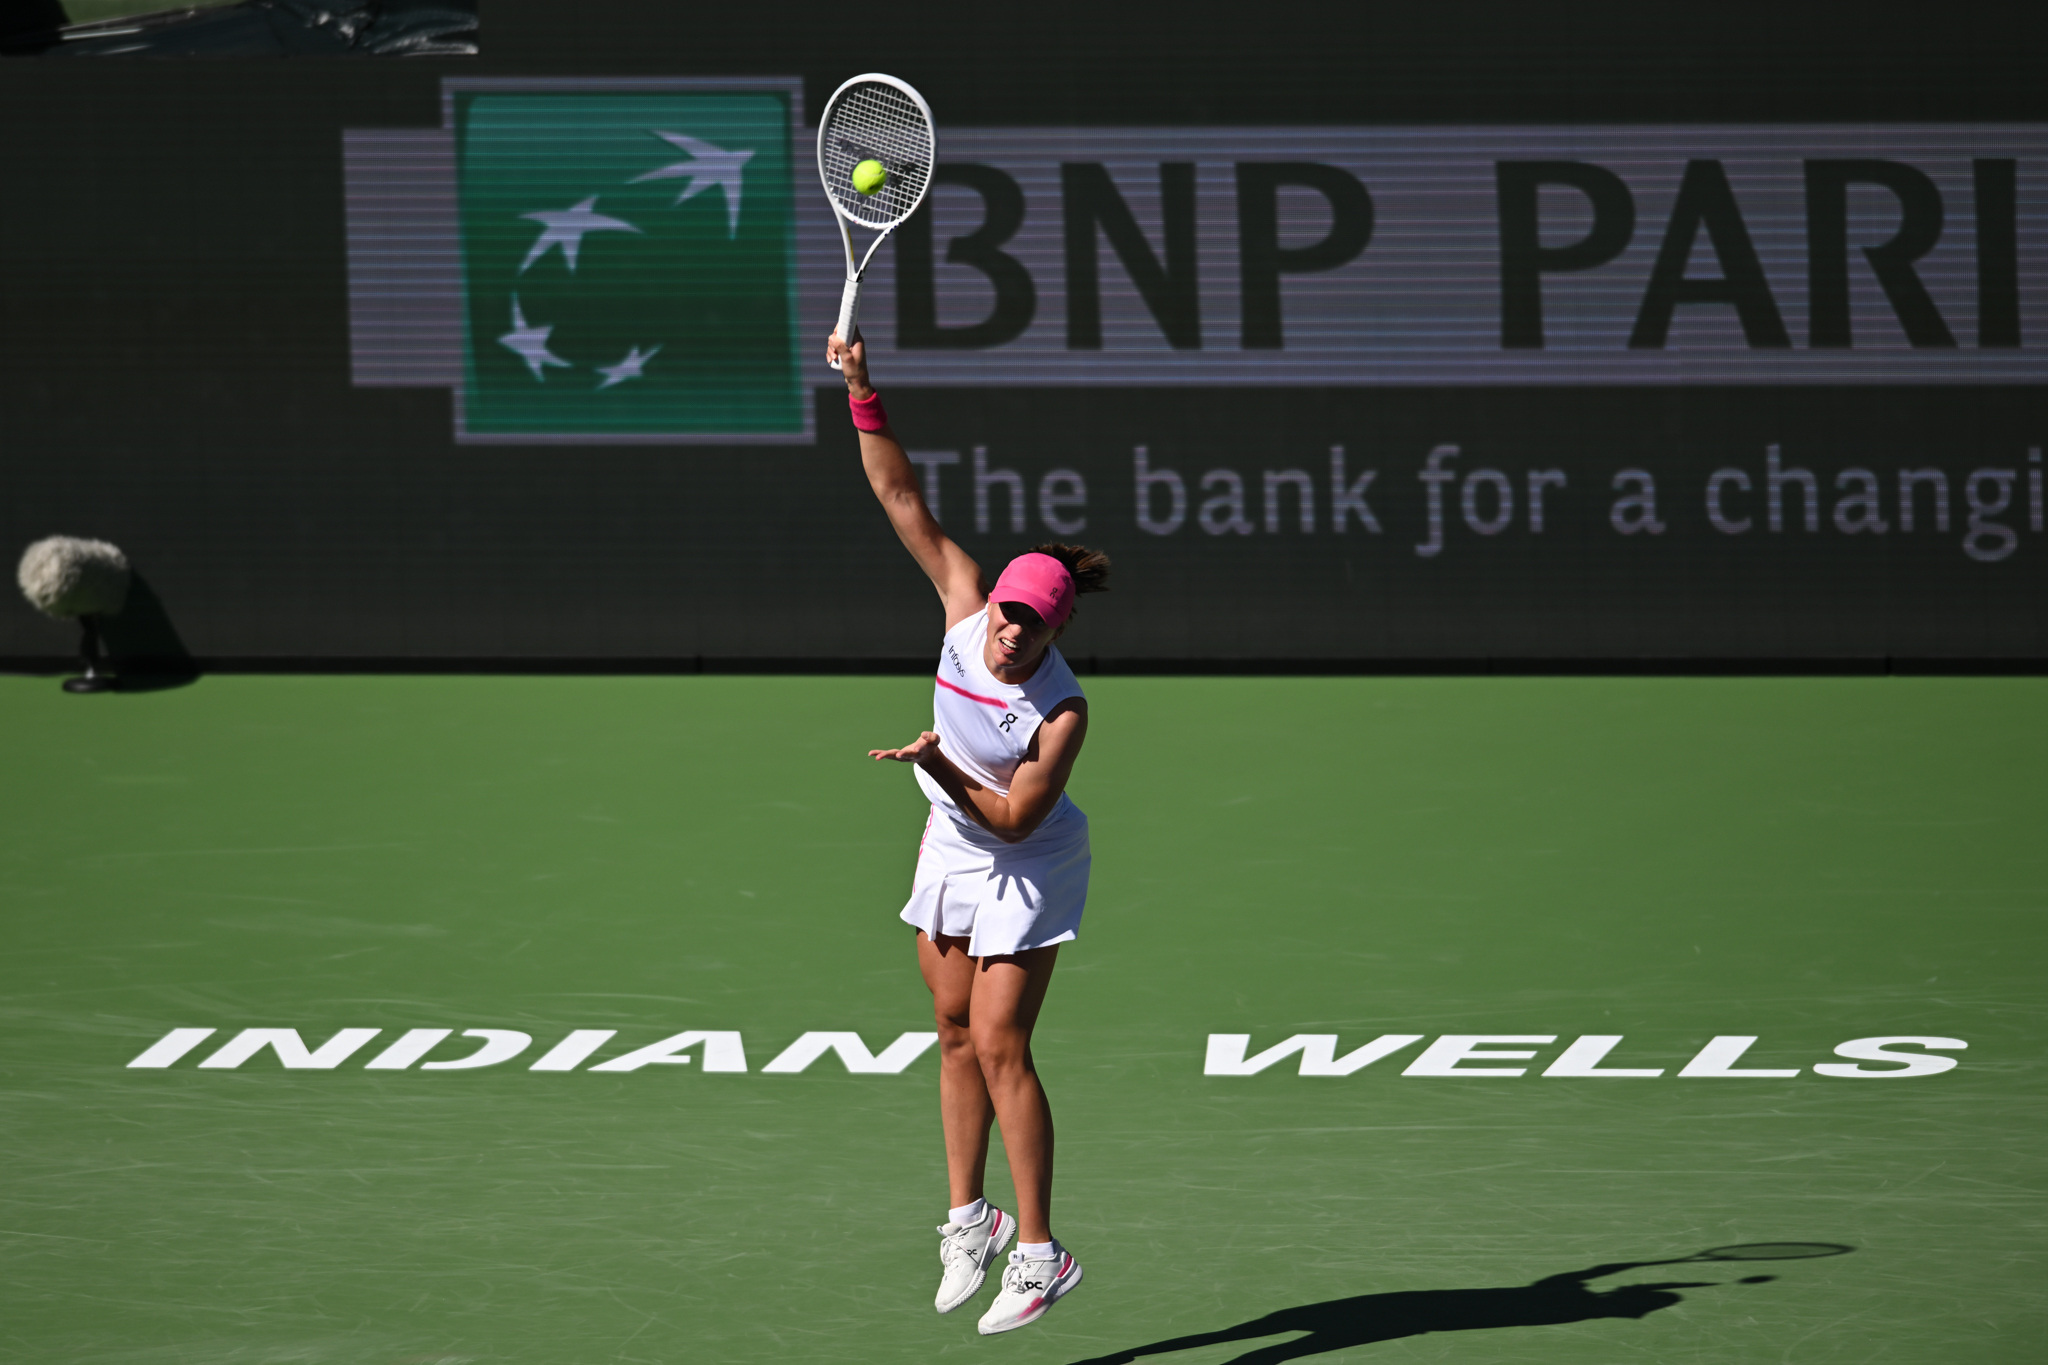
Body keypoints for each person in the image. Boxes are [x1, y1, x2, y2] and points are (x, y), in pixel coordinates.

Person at [829, 330, 1109, 1336]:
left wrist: (937, 764)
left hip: (1025, 861)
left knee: (999, 1043)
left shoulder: (1060, 711)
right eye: (1002, 613)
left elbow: (1010, 814)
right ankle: (969, 1219)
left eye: (1027, 624)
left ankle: (1039, 1253)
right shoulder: (961, 607)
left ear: (1053, 632)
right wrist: (862, 392)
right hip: (951, 846)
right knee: (949, 1033)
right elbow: (899, 497)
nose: (1005, 632)